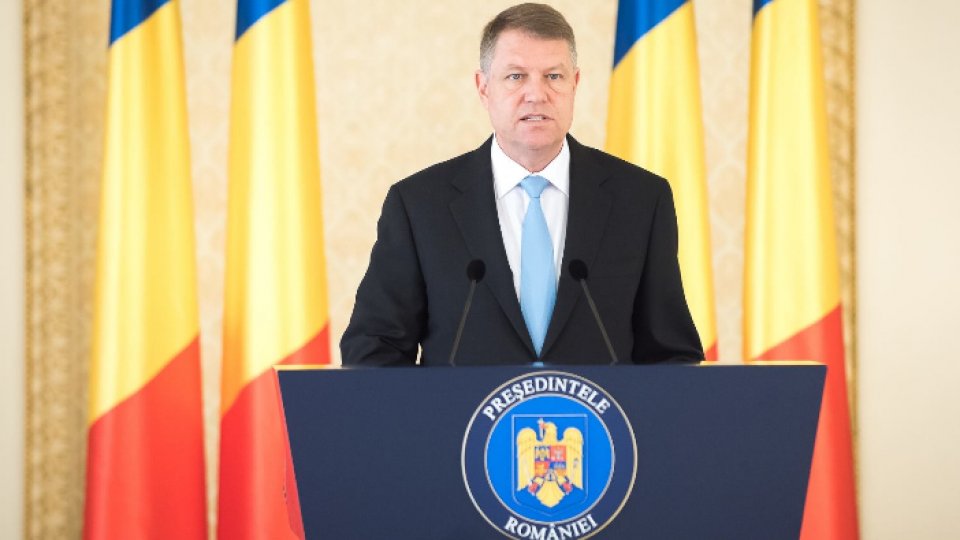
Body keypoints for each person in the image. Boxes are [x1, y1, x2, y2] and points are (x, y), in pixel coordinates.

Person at [341, 3, 703, 366]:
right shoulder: (419, 205)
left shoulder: (640, 200)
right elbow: (373, 349)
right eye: (516, 76)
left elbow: (671, 355)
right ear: (484, 88)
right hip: (461, 423)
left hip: (597, 423)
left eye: (554, 76)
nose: (536, 94)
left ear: (575, 84)